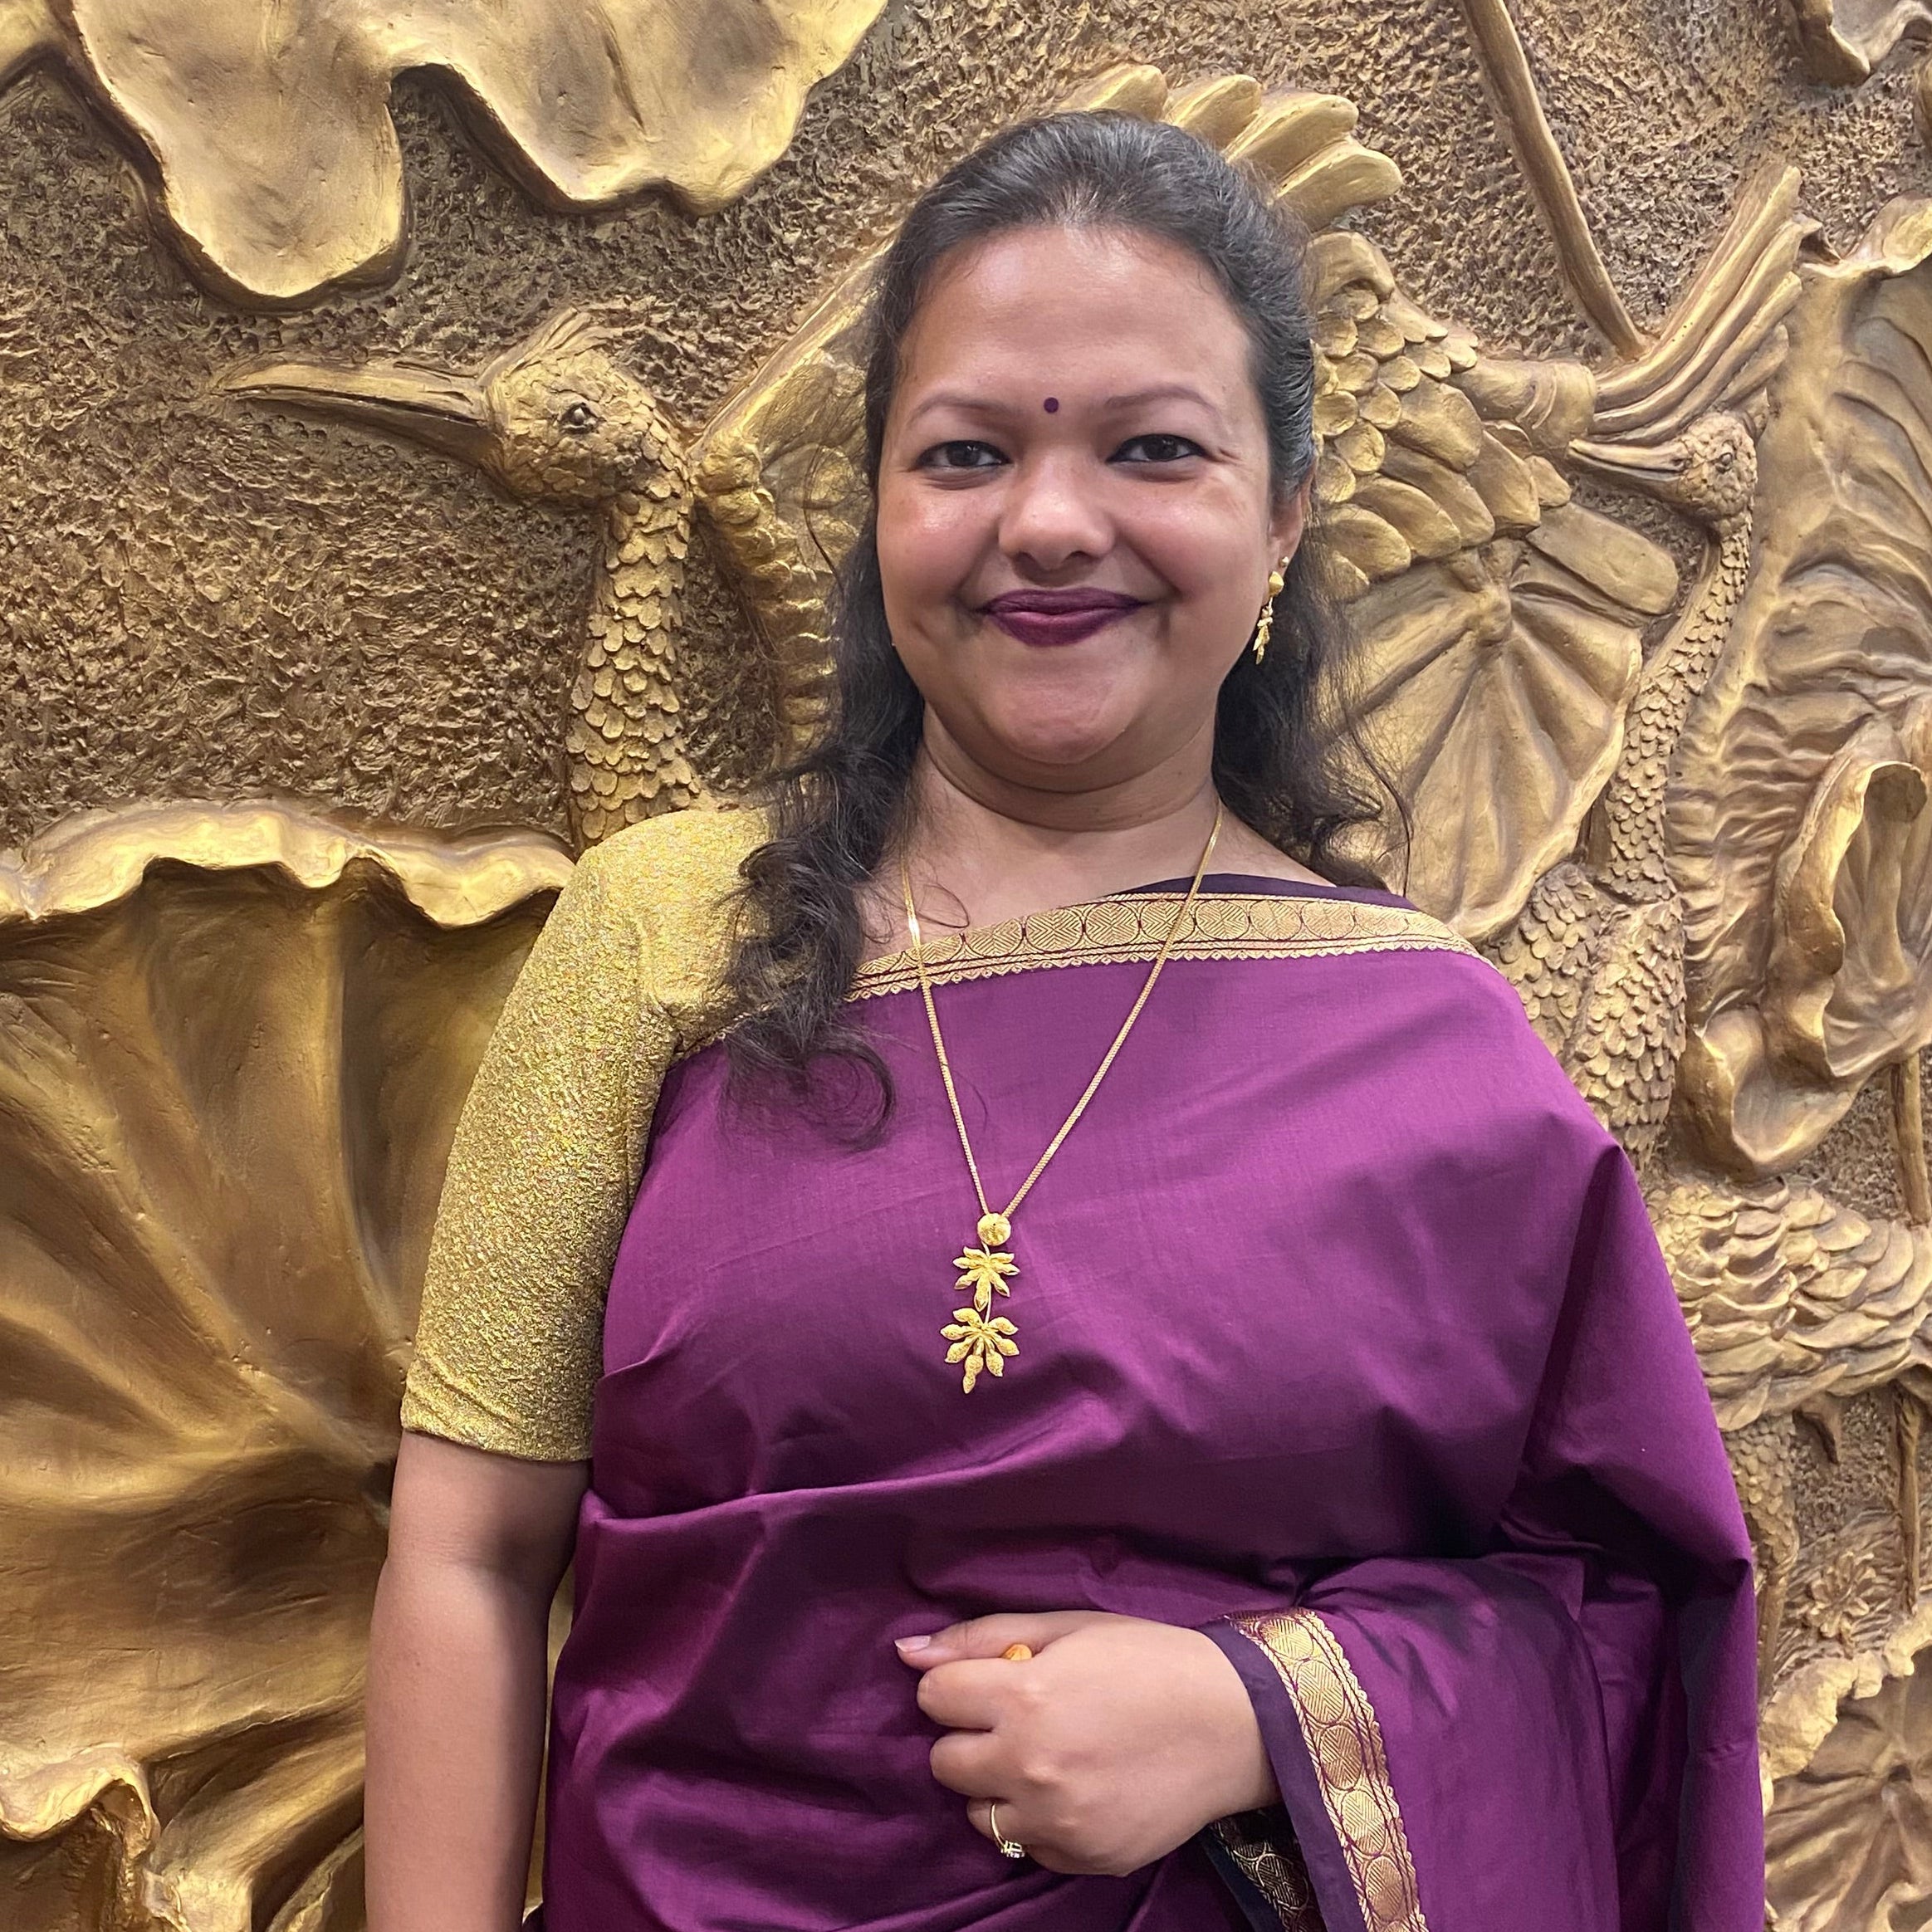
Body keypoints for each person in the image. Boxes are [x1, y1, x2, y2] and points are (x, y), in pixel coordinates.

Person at [365, 110, 1763, 1932]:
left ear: (1283, 520)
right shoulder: (662, 936)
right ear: (881, 512)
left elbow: (1629, 1621)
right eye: (965, 454)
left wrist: (1261, 1715)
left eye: (1152, 449)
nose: (1047, 522)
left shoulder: (1441, 1056)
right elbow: (468, 1558)